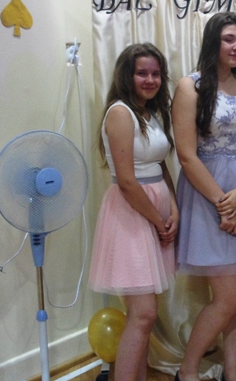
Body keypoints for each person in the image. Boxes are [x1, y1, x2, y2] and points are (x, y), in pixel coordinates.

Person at [172, 12, 236, 381]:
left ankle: (232, 371)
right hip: (206, 191)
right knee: (230, 298)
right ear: (214, 41)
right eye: (229, 39)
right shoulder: (190, 86)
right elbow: (186, 154)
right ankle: (187, 371)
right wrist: (223, 203)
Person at [88, 43, 178, 381]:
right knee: (143, 314)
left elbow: (161, 165)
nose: (150, 80)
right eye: (142, 73)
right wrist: (158, 220)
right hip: (131, 215)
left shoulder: (150, 113)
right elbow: (127, 181)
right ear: (127, 75)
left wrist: (174, 209)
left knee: (142, 316)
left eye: (156, 73)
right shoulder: (120, 113)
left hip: (154, 213)